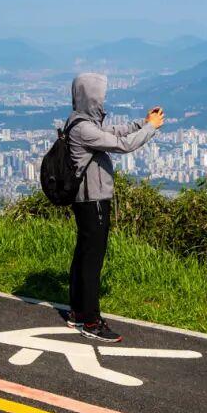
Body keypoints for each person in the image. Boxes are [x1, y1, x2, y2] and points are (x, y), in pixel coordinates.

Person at [65, 72, 163, 342]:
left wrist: (142, 122)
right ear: (91, 97)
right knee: (92, 261)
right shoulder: (85, 129)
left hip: (87, 200)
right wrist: (151, 129)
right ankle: (91, 321)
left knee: (84, 255)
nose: (103, 101)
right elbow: (122, 144)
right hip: (93, 201)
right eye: (100, 96)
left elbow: (114, 132)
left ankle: (78, 312)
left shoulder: (78, 121)